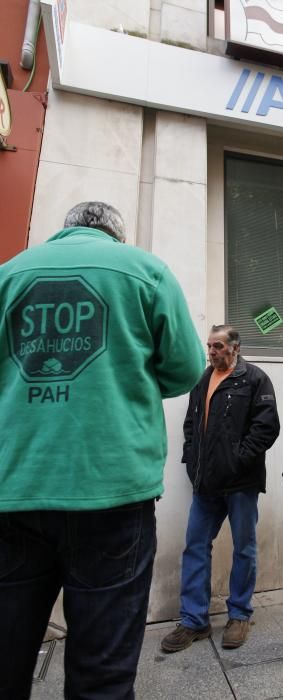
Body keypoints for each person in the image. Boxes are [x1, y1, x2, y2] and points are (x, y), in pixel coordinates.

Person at [0, 202, 205, 699]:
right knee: (103, 675)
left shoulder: (8, 274)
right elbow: (186, 369)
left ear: (64, 230)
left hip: (15, 490)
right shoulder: (145, 271)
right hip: (113, 493)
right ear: (116, 234)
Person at [161, 324, 280, 653]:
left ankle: (239, 614)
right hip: (205, 484)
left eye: (217, 346)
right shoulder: (202, 379)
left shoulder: (255, 379)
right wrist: (191, 459)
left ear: (235, 347)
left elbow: (267, 426)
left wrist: (237, 460)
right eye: (209, 347)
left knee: (244, 548)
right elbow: (191, 424)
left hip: (241, 483)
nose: (211, 352)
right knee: (195, 547)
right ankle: (194, 621)